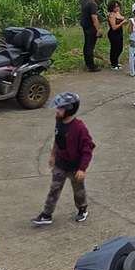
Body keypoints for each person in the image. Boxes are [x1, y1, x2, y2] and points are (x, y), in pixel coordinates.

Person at [33, 91, 93, 225]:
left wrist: (82, 169)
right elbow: (57, 138)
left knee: (78, 191)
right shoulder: (58, 120)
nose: (57, 110)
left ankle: (82, 209)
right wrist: (53, 155)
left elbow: (87, 149)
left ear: (69, 110)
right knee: (54, 189)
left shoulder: (79, 128)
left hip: (74, 167)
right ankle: (46, 215)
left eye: (60, 108)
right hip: (60, 164)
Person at [78, 0, 101, 71]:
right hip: (91, 26)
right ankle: (91, 66)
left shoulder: (84, 0)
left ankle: (87, 63)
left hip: (85, 25)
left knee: (87, 45)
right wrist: (98, 29)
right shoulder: (92, 4)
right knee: (90, 46)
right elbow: (94, 18)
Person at [105, 0, 126, 70]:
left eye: (118, 6)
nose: (117, 8)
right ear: (111, 8)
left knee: (120, 48)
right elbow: (114, 27)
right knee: (114, 48)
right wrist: (122, 23)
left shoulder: (118, 13)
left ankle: (115, 62)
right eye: (115, 7)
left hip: (119, 33)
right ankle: (113, 64)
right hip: (113, 34)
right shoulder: (111, 15)